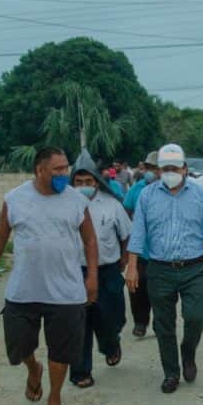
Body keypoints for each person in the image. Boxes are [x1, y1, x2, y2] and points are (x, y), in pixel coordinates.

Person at [0, 146, 99, 405]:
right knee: (19, 346)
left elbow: (90, 240)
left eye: (65, 167)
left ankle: (54, 398)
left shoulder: (76, 201)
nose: (64, 174)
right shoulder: (16, 199)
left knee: (62, 350)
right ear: (40, 170)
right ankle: (33, 369)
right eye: (57, 169)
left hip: (66, 292)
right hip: (24, 290)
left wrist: (92, 276)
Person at [125, 143, 203, 393]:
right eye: (165, 168)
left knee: (195, 318)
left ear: (184, 168)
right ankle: (171, 372)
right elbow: (138, 233)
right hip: (159, 269)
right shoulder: (147, 195)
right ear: (158, 170)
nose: (170, 172)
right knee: (163, 324)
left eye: (174, 167)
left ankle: (188, 352)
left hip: (193, 268)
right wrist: (132, 266)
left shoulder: (201, 195)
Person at [68, 151, 133, 388]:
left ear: (97, 181)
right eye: (78, 182)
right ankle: (81, 370)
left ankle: (110, 344)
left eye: (88, 182)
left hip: (108, 271)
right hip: (76, 272)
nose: (83, 186)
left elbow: (127, 235)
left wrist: (125, 259)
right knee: (79, 322)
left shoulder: (112, 205)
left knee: (112, 318)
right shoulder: (64, 205)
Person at [123, 151, 160, 337]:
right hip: (140, 249)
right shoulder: (136, 189)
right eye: (149, 168)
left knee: (160, 290)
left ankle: (160, 322)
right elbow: (127, 210)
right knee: (137, 287)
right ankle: (140, 322)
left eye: (154, 168)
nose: (151, 171)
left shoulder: (169, 190)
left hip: (161, 251)